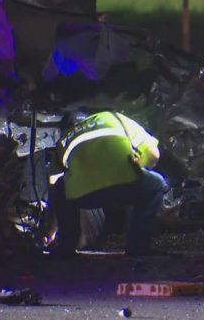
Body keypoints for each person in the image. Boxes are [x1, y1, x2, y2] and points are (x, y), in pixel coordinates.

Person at [49, 110, 168, 257]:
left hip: (84, 195)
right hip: (125, 185)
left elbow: (55, 182)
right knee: (156, 183)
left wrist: (48, 232)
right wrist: (137, 168)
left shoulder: (64, 139)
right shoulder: (114, 117)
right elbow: (153, 155)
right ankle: (138, 248)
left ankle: (66, 248)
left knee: (61, 187)